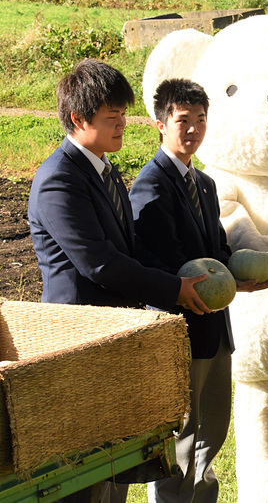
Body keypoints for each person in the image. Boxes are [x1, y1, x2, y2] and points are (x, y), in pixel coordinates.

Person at [27, 59, 210, 503]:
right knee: (85, 469)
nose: (122, 126)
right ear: (78, 119)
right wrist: (172, 289)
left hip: (111, 335)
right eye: (112, 119)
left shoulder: (104, 171)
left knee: (114, 460)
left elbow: (128, 253)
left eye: (123, 115)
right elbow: (99, 263)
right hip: (78, 336)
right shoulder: (59, 180)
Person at [129, 78, 268, 503]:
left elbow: (217, 249)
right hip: (181, 333)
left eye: (200, 120)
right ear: (160, 124)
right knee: (182, 437)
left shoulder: (206, 184)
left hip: (216, 328)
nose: (192, 130)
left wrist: (237, 278)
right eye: (182, 121)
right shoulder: (150, 186)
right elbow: (156, 263)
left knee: (213, 430)